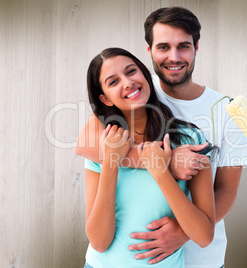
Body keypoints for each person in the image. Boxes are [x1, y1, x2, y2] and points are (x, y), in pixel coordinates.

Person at [75, 7, 247, 268]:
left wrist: (182, 232)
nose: (174, 57)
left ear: (196, 47)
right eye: (163, 47)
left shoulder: (229, 111)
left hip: (200, 259)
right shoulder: (134, 93)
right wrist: (161, 162)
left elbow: (226, 190)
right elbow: (85, 145)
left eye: (183, 46)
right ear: (149, 52)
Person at [82, 47, 215, 268]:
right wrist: (111, 163)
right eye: (113, 82)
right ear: (105, 98)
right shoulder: (104, 145)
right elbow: (99, 242)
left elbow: (204, 236)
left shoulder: (189, 138)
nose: (127, 83)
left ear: (144, 74)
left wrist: (161, 172)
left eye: (131, 71)